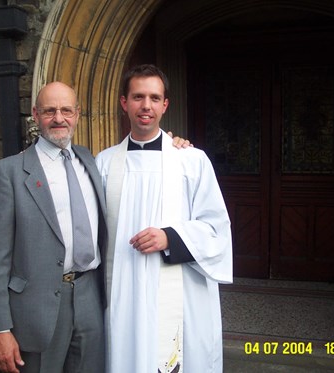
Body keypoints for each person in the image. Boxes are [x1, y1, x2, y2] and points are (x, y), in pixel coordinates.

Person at [0, 81, 190, 373]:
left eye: (66, 110)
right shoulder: (9, 173)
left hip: (90, 297)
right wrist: (0, 330)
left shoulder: (93, 162)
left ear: (78, 114)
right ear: (35, 114)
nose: (58, 118)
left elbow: (142, 160)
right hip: (37, 309)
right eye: (49, 111)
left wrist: (173, 143)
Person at [95, 64, 233, 373]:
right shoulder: (104, 163)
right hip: (124, 288)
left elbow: (216, 229)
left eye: (155, 98)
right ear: (124, 103)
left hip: (179, 288)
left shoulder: (190, 160)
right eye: (138, 97)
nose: (146, 106)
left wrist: (171, 237)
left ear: (165, 105)